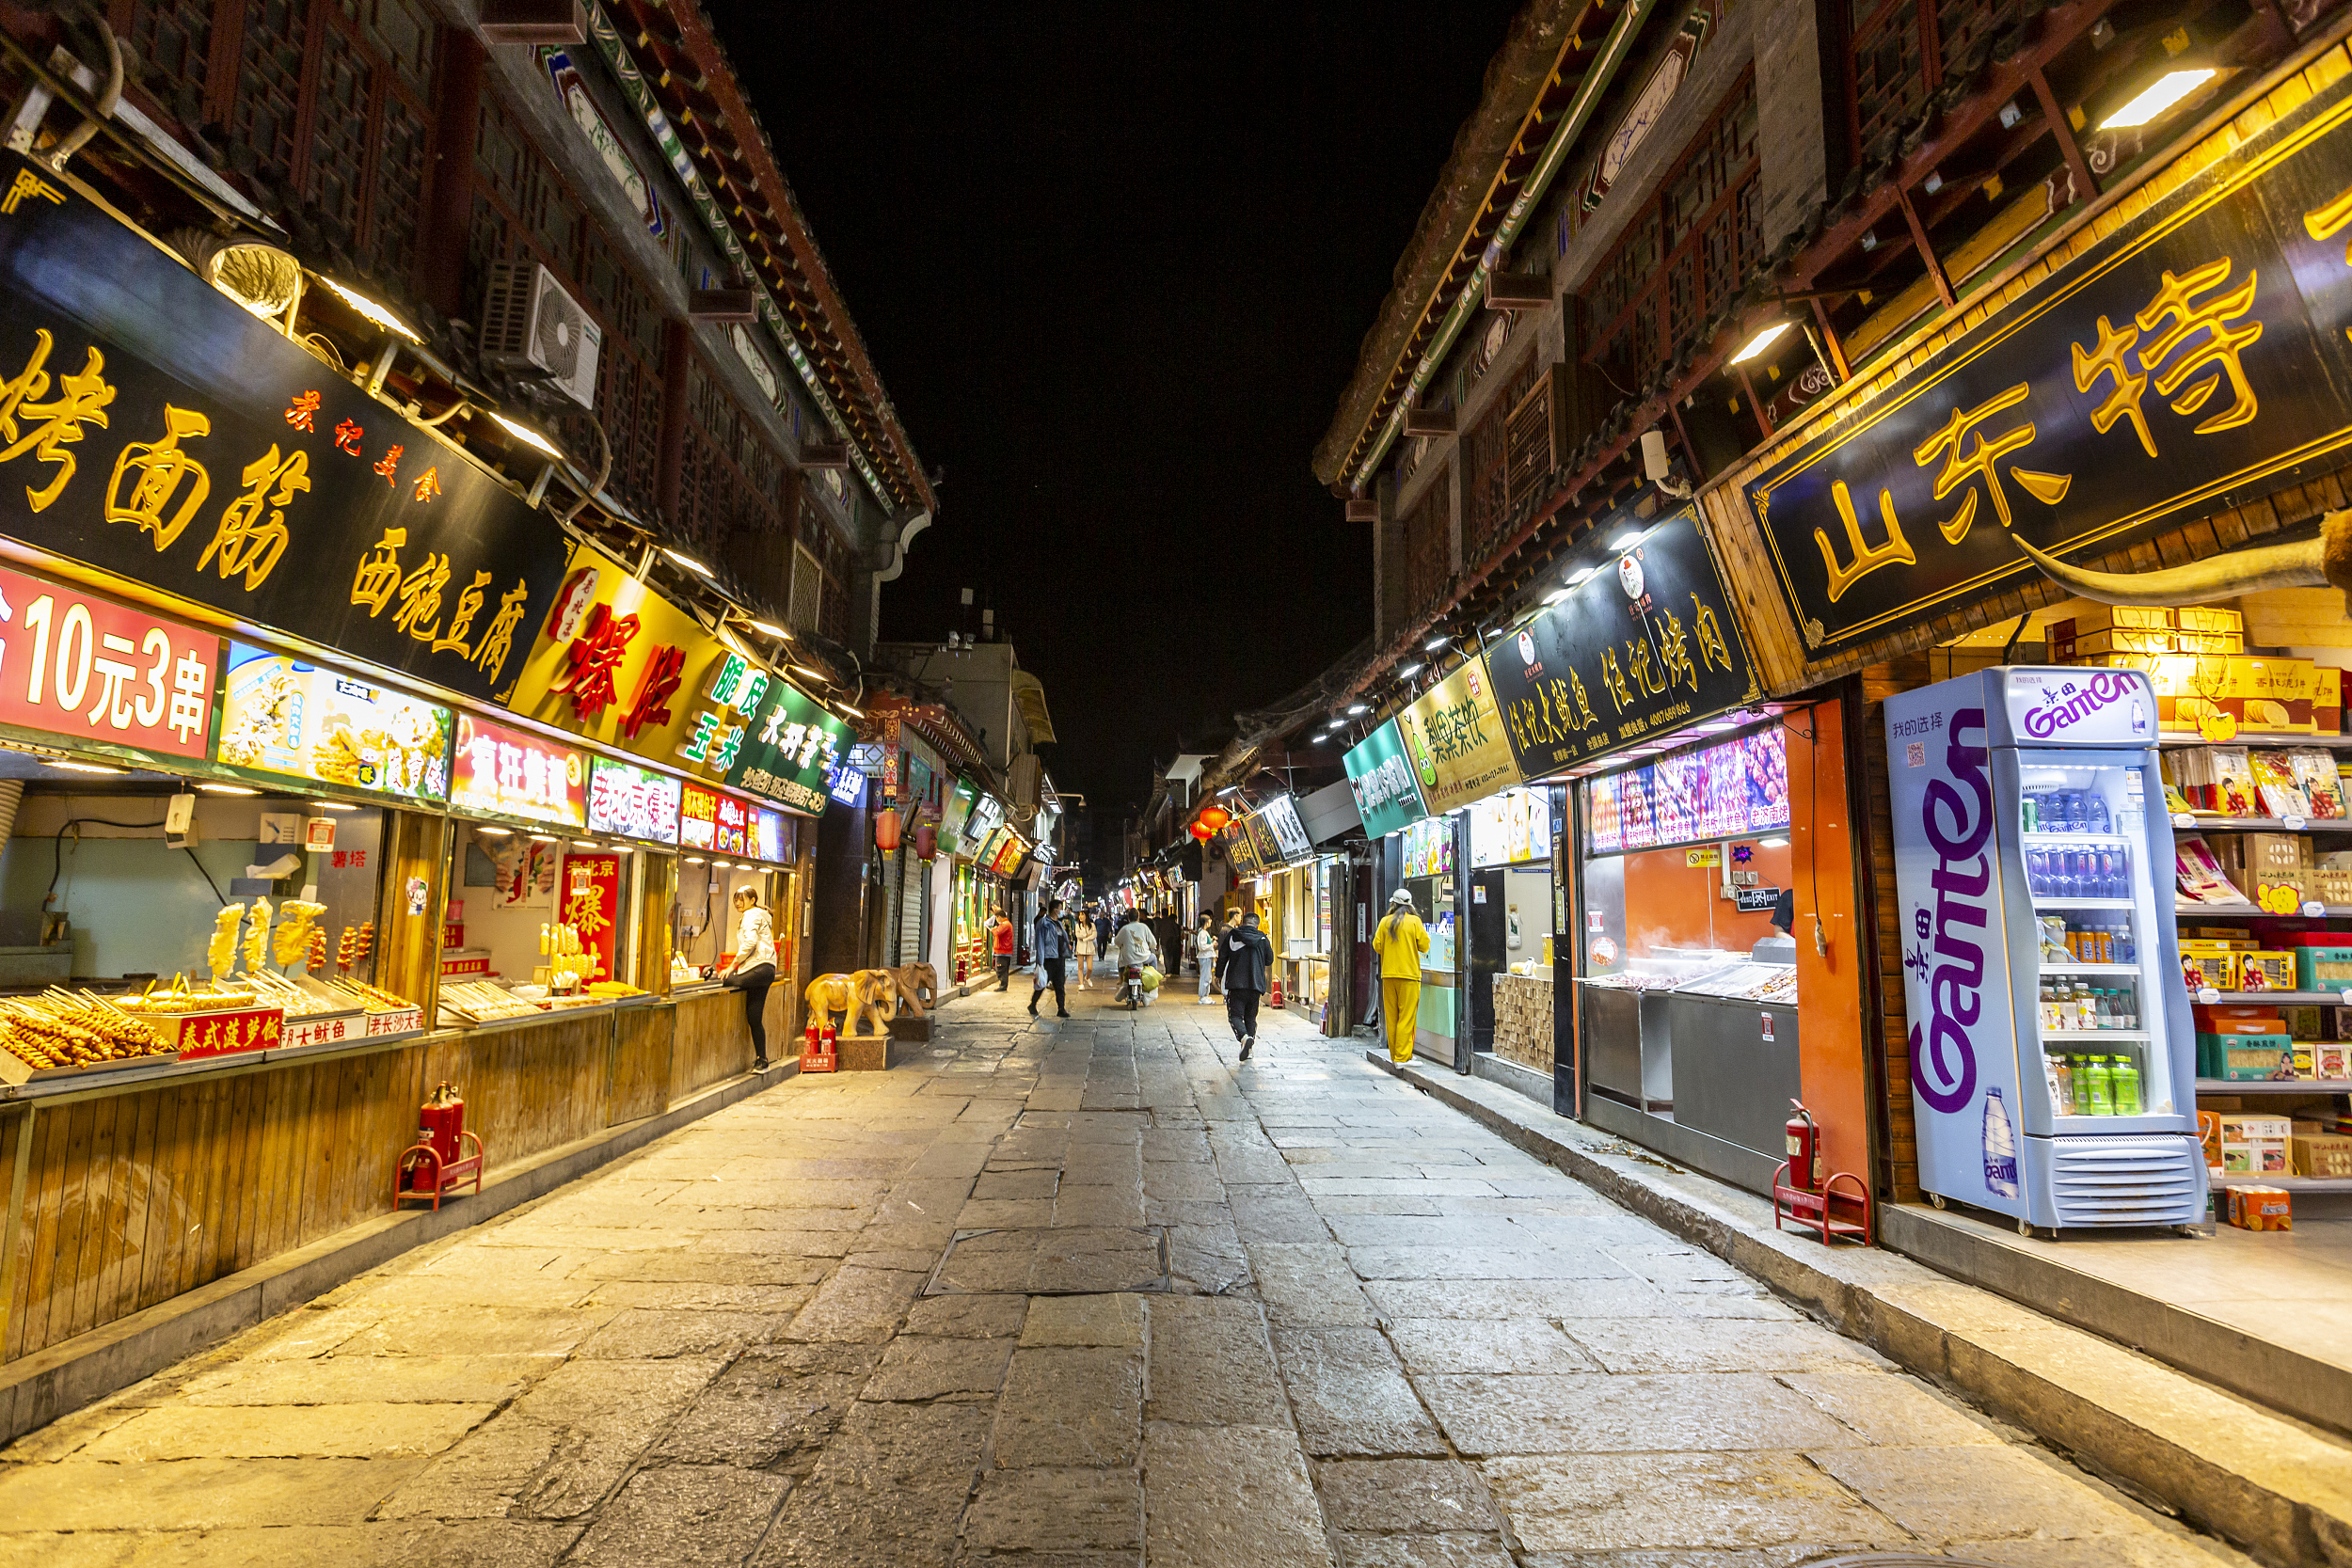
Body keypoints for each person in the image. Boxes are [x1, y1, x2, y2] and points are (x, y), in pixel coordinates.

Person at [721, 884, 779, 1070]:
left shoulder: (751, 915)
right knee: (754, 1017)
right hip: (767, 970)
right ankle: (762, 1060)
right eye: (736, 899)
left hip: (759, 968)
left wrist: (732, 966)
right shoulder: (759, 915)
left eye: (742, 899)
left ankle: (762, 1059)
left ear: (753, 900)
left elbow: (750, 943)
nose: (738, 903)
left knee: (726, 981)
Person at [1370, 887, 1430, 1064]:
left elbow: (1377, 946)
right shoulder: (1415, 922)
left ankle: (1395, 1055)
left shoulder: (1385, 922)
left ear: (1393, 904)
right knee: (1406, 1017)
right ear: (1409, 905)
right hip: (1410, 976)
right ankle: (1403, 1057)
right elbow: (1425, 946)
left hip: (1388, 976)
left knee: (1392, 1016)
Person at [1216, 910, 1275, 1060]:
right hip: (1256, 985)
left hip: (1236, 984)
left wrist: (1218, 974)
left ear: (1243, 922)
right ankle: (1249, 1048)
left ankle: (1244, 1038)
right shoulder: (1263, 938)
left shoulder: (1233, 935)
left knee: (1235, 1015)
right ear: (1257, 925)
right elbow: (1270, 960)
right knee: (1250, 1017)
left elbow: (1222, 956)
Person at [1029, 898, 1071, 1018]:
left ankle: (1061, 1008)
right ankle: (1032, 1004)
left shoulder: (1059, 923)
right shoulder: (1043, 923)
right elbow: (1040, 942)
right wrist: (1040, 961)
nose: (1062, 911)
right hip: (1049, 958)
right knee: (1043, 982)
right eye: (1061, 908)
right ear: (1055, 909)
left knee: (1060, 984)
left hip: (1059, 957)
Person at [1114, 911, 1160, 1004]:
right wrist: (1151, 946)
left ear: (1128, 918)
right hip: (1144, 957)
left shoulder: (1125, 929)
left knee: (1121, 964)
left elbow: (1117, 942)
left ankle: (1124, 985)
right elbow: (1153, 943)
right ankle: (1153, 980)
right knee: (1153, 957)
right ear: (1138, 917)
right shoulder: (1144, 927)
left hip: (1128, 960)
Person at [1193, 913, 1217, 1004]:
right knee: (1205, 977)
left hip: (1207, 956)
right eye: (1209, 920)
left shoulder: (1203, 932)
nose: (1211, 922)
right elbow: (1202, 947)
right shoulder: (1202, 933)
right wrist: (1212, 945)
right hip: (1205, 957)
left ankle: (1205, 995)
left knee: (1207, 977)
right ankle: (1203, 996)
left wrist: (1211, 940)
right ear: (1206, 922)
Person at [991, 911, 1017, 990]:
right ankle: (1003, 985)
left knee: (1001, 969)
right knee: (1001, 968)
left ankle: (1003, 985)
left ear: (999, 916)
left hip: (1003, 951)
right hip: (1002, 951)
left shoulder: (1005, 925)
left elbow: (998, 933)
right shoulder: (1005, 924)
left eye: (996, 918)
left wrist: (993, 929)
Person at [1073, 910, 1096, 990]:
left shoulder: (1092, 925)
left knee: (1090, 968)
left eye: (1082, 915)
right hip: (1080, 948)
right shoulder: (1077, 926)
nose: (1080, 917)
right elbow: (1078, 935)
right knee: (1080, 967)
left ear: (1086, 916)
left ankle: (1087, 977)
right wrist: (1087, 935)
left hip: (1090, 948)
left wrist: (1086, 938)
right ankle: (1081, 984)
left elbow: (1094, 935)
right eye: (1079, 915)